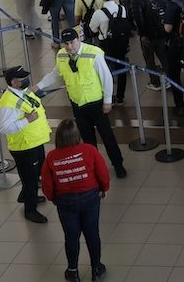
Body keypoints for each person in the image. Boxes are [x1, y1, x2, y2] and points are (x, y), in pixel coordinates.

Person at [35, 29, 127, 178]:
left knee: (107, 136)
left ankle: (118, 164)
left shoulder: (94, 53)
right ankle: (94, 167)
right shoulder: (62, 55)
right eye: (66, 43)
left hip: (96, 103)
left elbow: (106, 77)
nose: (70, 46)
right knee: (88, 140)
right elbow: (56, 74)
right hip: (77, 104)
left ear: (79, 40)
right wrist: (39, 86)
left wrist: (108, 101)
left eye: (72, 42)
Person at [42, 118, 109, 282]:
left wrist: (53, 198)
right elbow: (102, 173)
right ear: (77, 135)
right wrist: (103, 189)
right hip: (90, 197)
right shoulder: (89, 150)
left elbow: (47, 183)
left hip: (65, 201)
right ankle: (96, 269)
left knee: (71, 236)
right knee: (92, 234)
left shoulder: (51, 157)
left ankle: (73, 271)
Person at [0, 65, 51, 224]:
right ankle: (30, 210)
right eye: (22, 79)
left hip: (35, 141)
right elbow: (3, 127)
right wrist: (26, 120)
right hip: (24, 146)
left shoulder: (22, 91)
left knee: (37, 172)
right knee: (31, 179)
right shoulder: (7, 103)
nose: (26, 80)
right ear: (13, 82)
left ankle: (26, 195)